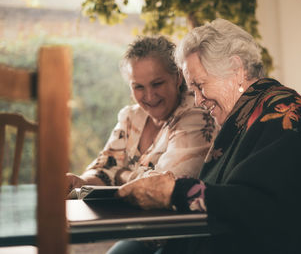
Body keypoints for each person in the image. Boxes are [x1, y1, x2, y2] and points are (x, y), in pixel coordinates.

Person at [114, 19, 301, 254]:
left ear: (236, 68)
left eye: (200, 85)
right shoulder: (248, 115)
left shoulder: (284, 113)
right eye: (192, 89)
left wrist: (176, 190)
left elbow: (258, 207)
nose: (198, 100)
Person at [66, 36, 217, 192]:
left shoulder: (199, 116)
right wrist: (80, 181)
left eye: (157, 84)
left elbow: (161, 186)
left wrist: (120, 174)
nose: (150, 96)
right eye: (139, 87)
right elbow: (103, 168)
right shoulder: (130, 117)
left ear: (178, 77)